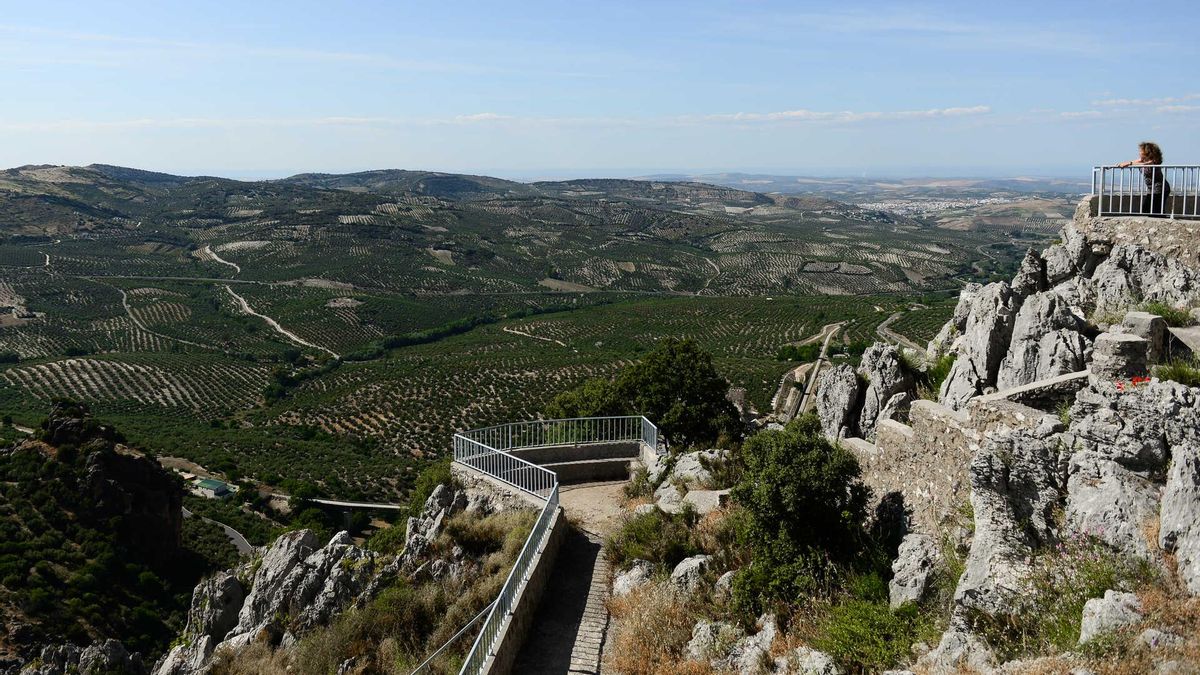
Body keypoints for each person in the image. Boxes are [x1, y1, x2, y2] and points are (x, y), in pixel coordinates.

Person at [1117, 141, 1172, 216]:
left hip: (1160, 188)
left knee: (1155, 210)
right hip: (1152, 189)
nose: (1139, 152)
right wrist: (1123, 164)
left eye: (1141, 151)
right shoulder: (1142, 160)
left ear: (1147, 152)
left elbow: (1145, 164)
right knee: (1147, 209)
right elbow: (1134, 162)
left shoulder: (1153, 161)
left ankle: (1162, 223)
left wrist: (1129, 163)